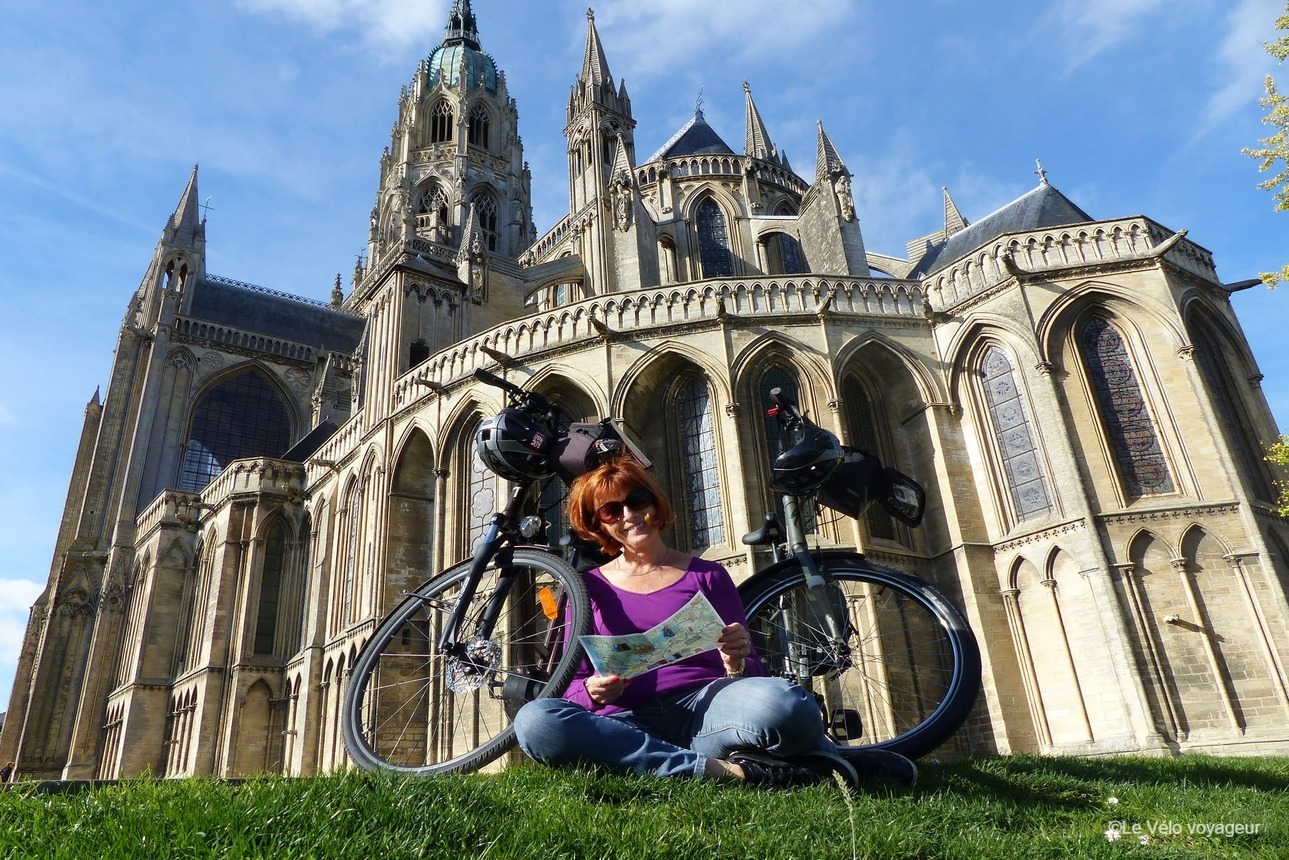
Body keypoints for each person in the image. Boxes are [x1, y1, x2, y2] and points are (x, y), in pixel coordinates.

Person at [513, 458, 917, 789]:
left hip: (709, 709)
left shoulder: (706, 577)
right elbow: (570, 684)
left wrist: (735, 662)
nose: (629, 514)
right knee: (536, 722)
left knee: (787, 704)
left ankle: (759, 761)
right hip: (626, 721)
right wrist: (595, 691)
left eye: (637, 500)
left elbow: (753, 672)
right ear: (598, 523)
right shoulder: (584, 589)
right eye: (611, 510)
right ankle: (734, 771)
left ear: (654, 504)